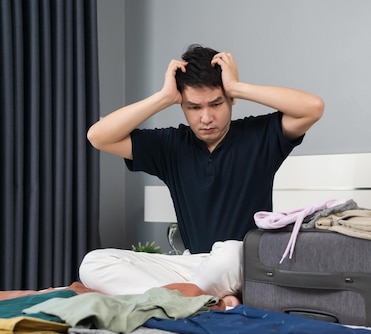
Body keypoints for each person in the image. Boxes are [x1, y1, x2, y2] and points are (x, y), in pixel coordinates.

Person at [80, 44, 324, 304]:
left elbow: (313, 107)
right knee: (93, 263)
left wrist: (238, 87)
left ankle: (181, 299)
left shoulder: (260, 136)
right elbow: (98, 136)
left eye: (216, 103)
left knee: (228, 252)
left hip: (242, 264)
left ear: (230, 99)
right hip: (192, 267)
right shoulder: (171, 145)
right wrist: (163, 97)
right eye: (193, 107)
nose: (206, 117)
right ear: (181, 105)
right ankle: (203, 301)